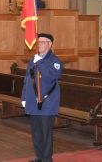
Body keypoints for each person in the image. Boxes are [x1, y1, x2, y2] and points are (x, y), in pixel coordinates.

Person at [21, 33, 62, 162]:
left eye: (43, 42)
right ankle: (39, 157)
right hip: (33, 102)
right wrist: (24, 97)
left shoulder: (55, 61)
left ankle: (47, 159)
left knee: (46, 133)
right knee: (36, 133)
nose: (40, 45)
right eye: (38, 42)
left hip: (47, 102)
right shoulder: (33, 60)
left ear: (50, 44)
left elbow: (51, 76)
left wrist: (40, 63)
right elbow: (27, 79)